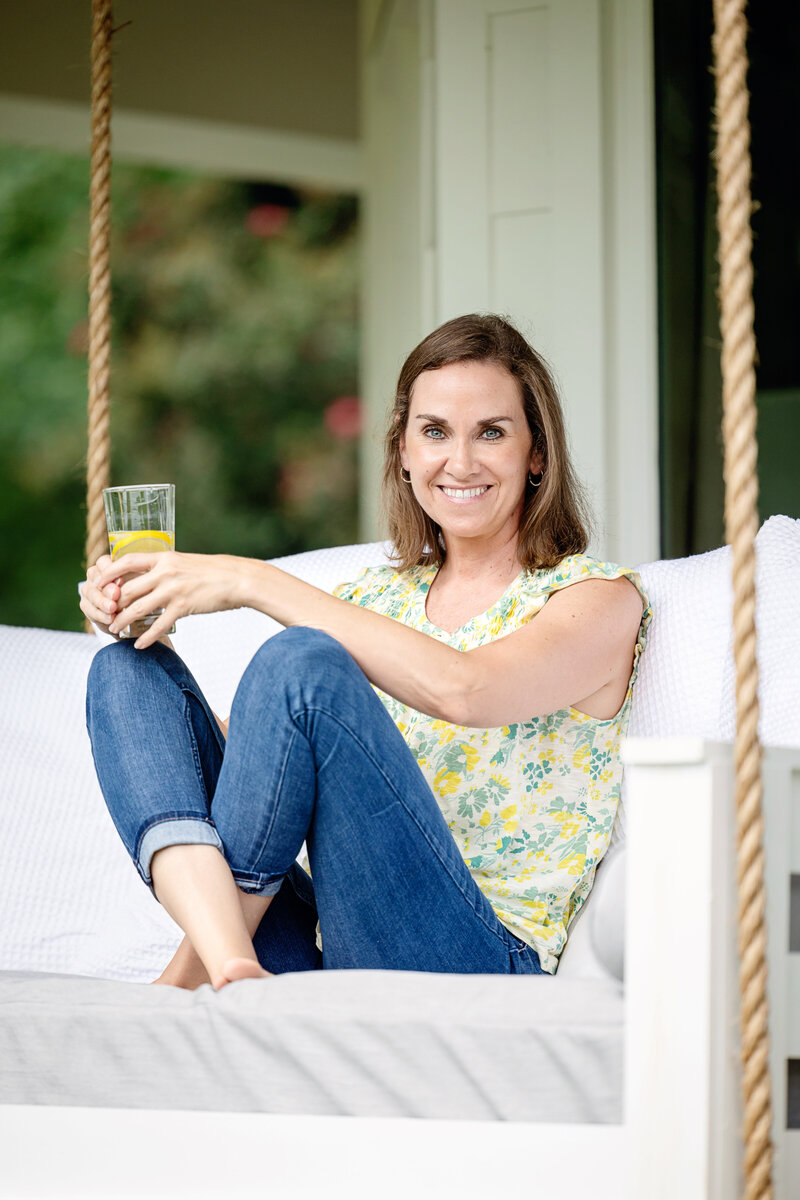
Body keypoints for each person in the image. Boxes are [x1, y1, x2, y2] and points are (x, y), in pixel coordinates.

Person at [81, 313, 651, 991]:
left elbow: (466, 690)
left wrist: (249, 579)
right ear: (404, 450)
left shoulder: (595, 599)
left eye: (491, 432)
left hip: (475, 959)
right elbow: (255, 769)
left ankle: (181, 987)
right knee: (125, 673)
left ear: (536, 453)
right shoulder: (374, 599)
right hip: (330, 951)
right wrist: (147, 642)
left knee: (298, 663)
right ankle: (229, 965)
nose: (459, 461)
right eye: (435, 431)